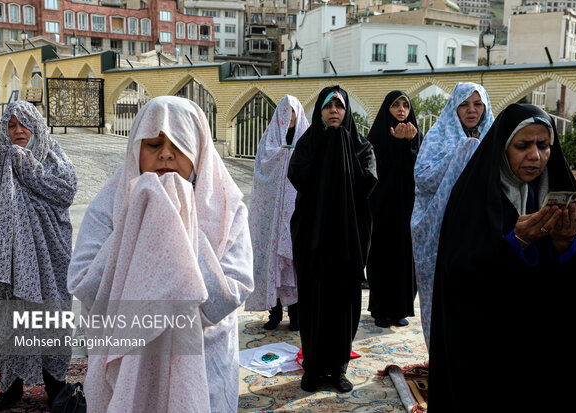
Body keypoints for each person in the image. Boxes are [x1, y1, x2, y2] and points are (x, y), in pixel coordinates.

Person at [67, 96, 254, 412]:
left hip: (204, 364)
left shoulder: (226, 208)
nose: (166, 154)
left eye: (179, 144)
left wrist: (175, 229)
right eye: (153, 144)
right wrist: (137, 224)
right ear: (135, 151)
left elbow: (230, 292)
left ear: (198, 150)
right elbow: (84, 283)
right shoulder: (108, 205)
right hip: (127, 360)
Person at [428, 103, 576, 411]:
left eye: (544, 146)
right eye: (523, 146)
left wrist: (565, 246)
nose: (535, 156)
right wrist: (513, 242)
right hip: (491, 352)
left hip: (547, 348)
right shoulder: (474, 196)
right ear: (504, 147)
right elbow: (457, 274)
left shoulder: (561, 191)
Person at [0, 101, 77, 411]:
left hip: (48, 256)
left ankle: (55, 382)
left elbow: (65, 191)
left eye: (24, 124)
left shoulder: (53, 159)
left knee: (49, 314)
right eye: (11, 125)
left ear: (36, 125)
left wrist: (25, 166)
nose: (18, 130)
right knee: (7, 319)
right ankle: (11, 387)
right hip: (5, 263)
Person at [288, 86, 377, 393]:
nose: (334, 111)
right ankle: (312, 368)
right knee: (313, 300)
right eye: (328, 106)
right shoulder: (309, 141)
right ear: (320, 112)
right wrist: (327, 149)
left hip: (348, 235)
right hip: (312, 234)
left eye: (339, 106)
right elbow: (296, 174)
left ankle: (338, 368)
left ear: (347, 110)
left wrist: (340, 153)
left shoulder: (360, 145)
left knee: (343, 302)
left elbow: (369, 180)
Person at [410, 82, 494, 347]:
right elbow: (422, 178)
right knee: (442, 297)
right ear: (454, 108)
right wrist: (460, 153)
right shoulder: (437, 135)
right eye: (464, 105)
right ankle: (443, 358)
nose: (471, 110)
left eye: (477, 104)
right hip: (443, 229)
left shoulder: (495, 137)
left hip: (482, 230)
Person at [245, 95, 309, 331]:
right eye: (284, 112)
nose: (288, 117)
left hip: (296, 209)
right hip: (273, 212)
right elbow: (262, 169)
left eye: (292, 112)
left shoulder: (307, 137)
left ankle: (296, 315)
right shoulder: (270, 138)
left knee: (294, 261)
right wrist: (281, 156)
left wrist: (290, 155)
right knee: (273, 257)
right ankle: (274, 313)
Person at [366, 90, 422, 328]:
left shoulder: (417, 136)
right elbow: (375, 171)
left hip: (407, 208)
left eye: (405, 105)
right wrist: (394, 144)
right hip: (382, 210)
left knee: (405, 256)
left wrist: (408, 144)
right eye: (395, 105)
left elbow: (421, 170)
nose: (401, 110)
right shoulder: (376, 137)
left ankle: (401, 308)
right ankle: (380, 309)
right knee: (381, 256)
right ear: (386, 110)